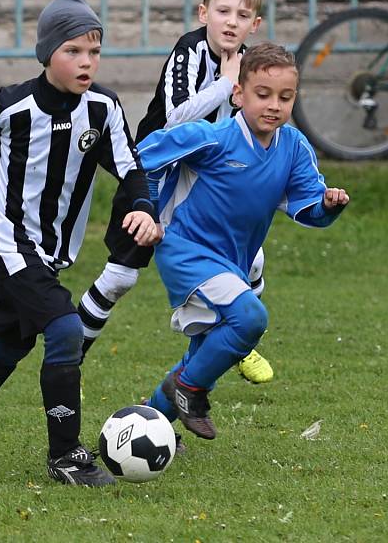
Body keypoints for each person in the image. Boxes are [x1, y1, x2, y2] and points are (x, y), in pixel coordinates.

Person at [0, 0, 160, 486]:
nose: (86, 61)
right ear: (48, 53)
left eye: (94, 51)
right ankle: (66, 457)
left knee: (13, 339)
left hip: (51, 249)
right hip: (7, 237)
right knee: (66, 329)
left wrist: (142, 206)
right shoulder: (13, 104)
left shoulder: (104, 107)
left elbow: (130, 165)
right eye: (73, 51)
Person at [138, 43, 350, 439]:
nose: (274, 105)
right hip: (186, 250)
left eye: (285, 97)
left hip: (234, 262)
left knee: (206, 352)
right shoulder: (213, 137)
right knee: (250, 318)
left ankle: (145, 425)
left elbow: (309, 210)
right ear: (238, 94)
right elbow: (142, 156)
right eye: (263, 94)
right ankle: (189, 389)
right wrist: (146, 210)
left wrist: (328, 204)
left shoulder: (293, 146)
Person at [77, 0, 276, 385]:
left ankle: (238, 341)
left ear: (255, 24)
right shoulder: (188, 51)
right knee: (120, 277)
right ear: (204, 13)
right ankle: (67, 354)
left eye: (242, 16)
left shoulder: (253, 65)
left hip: (206, 185)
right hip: (154, 174)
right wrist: (224, 84)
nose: (231, 22)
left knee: (251, 258)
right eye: (223, 11)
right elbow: (172, 122)